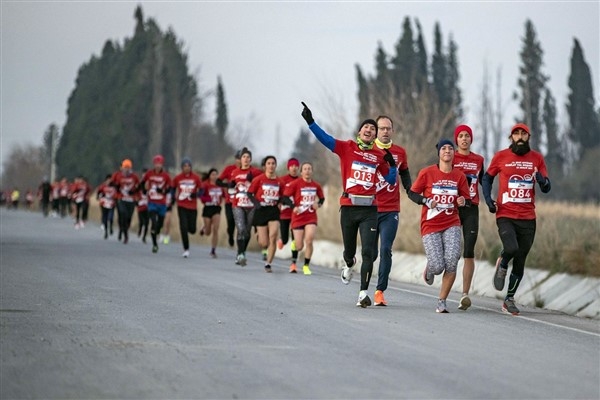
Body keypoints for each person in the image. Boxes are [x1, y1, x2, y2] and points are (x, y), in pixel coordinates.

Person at [300, 102, 397, 307]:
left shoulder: (378, 156)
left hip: (370, 209)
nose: (370, 130)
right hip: (349, 207)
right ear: (359, 132)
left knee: (369, 252)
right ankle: (348, 263)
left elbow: (389, 180)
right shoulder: (347, 147)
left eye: (373, 128)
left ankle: (363, 293)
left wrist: (392, 165)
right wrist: (311, 122)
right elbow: (325, 139)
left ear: (375, 135)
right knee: (350, 252)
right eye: (366, 127)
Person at [482, 123, 551, 316]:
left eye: (523, 134)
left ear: (528, 137)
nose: (520, 137)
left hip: (528, 217)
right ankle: (503, 263)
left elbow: (546, 187)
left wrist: (542, 181)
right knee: (511, 248)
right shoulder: (501, 156)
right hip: (505, 214)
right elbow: (486, 179)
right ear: (511, 137)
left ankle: (509, 299)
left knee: (520, 259)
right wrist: (488, 200)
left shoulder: (537, 158)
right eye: (516, 134)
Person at [408, 138, 471, 313]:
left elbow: (468, 200)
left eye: (451, 148)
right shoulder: (427, 173)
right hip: (430, 224)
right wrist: (426, 200)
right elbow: (412, 194)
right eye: (444, 148)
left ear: (454, 153)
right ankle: (430, 268)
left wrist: (462, 200)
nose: (447, 151)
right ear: (439, 153)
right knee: (438, 266)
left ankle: (442, 301)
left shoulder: (459, 176)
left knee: (451, 261)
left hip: (452, 222)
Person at [372, 115, 412, 306]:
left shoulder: (400, 152)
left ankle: (380, 291)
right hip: (370, 209)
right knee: (370, 253)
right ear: (376, 130)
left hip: (391, 209)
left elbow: (404, 173)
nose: (385, 131)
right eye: (382, 128)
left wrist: (411, 192)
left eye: (388, 128)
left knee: (385, 249)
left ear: (392, 130)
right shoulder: (369, 150)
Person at [452, 124, 485, 311]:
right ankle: (432, 265)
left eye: (467, 136)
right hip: (454, 208)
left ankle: (464, 295)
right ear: (456, 139)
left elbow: (484, 181)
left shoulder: (478, 160)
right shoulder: (451, 156)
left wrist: (489, 200)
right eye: (461, 136)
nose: (464, 139)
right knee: (453, 250)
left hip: (472, 208)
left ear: (471, 139)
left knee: (469, 250)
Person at [282, 162, 325, 275]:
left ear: (312, 171)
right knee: (299, 245)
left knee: (309, 240)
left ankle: (306, 266)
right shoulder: (295, 184)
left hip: (311, 216)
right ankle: (293, 263)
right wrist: (293, 207)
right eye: (305, 169)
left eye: (309, 169)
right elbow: (285, 197)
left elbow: (322, 198)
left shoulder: (316, 185)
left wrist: (318, 205)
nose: (307, 171)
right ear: (301, 172)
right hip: (298, 217)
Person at [247, 155, 283, 273]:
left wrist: (280, 202)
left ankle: (268, 263)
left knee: (273, 237)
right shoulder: (259, 179)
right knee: (264, 242)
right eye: (269, 163)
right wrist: (256, 204)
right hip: (261, 210)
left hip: (273, 211)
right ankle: (259, 235)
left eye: (273, 163)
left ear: (275, 165)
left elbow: (283, 195)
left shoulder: (279, 181)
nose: (271, 165)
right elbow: (249, 193)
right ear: (264, 166)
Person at [229, 147, 263, 266]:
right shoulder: (235, 172)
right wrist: (231, 191)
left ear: (251, 159)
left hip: (251, 205)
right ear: (240, 159)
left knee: (247, 232)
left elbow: (263, 182)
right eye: (244, 157)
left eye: (248, 157)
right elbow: (231, 188)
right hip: (238, 204)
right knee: (241, 229)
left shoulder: (256, 172)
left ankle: (243, 252)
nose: (246, 159)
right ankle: (240, 254)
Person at [172, 157, 202, 258]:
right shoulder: (178, 178)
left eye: (188, 166)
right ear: (182, 167)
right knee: (183, 227)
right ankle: (186, 249)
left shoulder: (196, 178)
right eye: (185, 166)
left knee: (192, 229)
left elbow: (201, 191)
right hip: (181, 205)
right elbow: (172, 188)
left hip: (192, 207)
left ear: (191, 167)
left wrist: (196, 195)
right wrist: (172, 199)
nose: (187, 168)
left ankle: (190, 230)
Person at [142, 154, 172, 253]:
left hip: (162, 203)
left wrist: (163, 191)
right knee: (153, 223)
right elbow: (142, 183)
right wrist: (144, 191)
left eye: (159, 164)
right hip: (152, 202)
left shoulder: (166, 175)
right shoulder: (149, 173)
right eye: (156, 163)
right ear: (154, 164)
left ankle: (157, 231)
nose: (158, 166)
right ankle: (155, 244)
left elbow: (170, 188)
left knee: (160, 224)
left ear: (162, 164)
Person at [111, 159, 140, 244]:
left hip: (131, 199)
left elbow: (139, 186)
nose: (126, 170)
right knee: (122, 214)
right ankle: (124, 234)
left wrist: (134, 192)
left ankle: (124, 229)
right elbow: (112, 184)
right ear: (122, 168)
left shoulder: (134, 177)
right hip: (121, 198)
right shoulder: (117, 175)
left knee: (128, 217)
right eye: (125, 168)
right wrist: (116, 187)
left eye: (128, 168)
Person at [217, 150, 242, 247]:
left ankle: (240, 244)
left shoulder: (249, 171)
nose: (240, 161)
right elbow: (218, 182)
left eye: (241, 158)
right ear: (235, 159)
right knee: (231, 222)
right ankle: (230, 235)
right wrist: (228, 185)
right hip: (230, 202)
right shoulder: (229, 169)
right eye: (238, 158)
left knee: (240, 224)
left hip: (242, 202)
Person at [277, 158, 300, 259]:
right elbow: (278, 194)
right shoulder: (282, 180)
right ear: (288, 168)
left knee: (295, 238)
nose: (294, 168)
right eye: (292, 166)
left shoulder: (301, 181)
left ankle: (294, 260)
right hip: (284, 213)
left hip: (296, 214)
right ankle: (281, 240)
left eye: (296, 166)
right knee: (285, 239)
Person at [200, 168, 225, 258]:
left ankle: (213, 250)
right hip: (207, 208)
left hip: (216, 208)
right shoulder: (205, 185)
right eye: (212, 175)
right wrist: (208, 199)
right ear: (209, 176)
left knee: (215, 229)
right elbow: (201, 197)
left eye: (216, 174)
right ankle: (204, 229)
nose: (214, 176)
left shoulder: (220, 185)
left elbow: (225, 195)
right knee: (208, 232)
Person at [96, 174, 117, 239]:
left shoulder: (115, 187)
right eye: (108, 180)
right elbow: (98, 193)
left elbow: (117, 194)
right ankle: (106, 232)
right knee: (104, 216)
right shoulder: (102, 186)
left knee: (110, 217)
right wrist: (99, 196)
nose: (109, 181)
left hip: (111, 203)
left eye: (110, 180)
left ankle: (110, 227)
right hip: (104, 203)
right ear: (106, 180)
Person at [136, 168, 150, 243]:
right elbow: (136, 192)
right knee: (141, 221)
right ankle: (140, 229)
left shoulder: (151, 185)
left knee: (147, 222)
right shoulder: (140, 184)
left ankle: (144, 237)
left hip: (148, 207)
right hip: (140, 206)